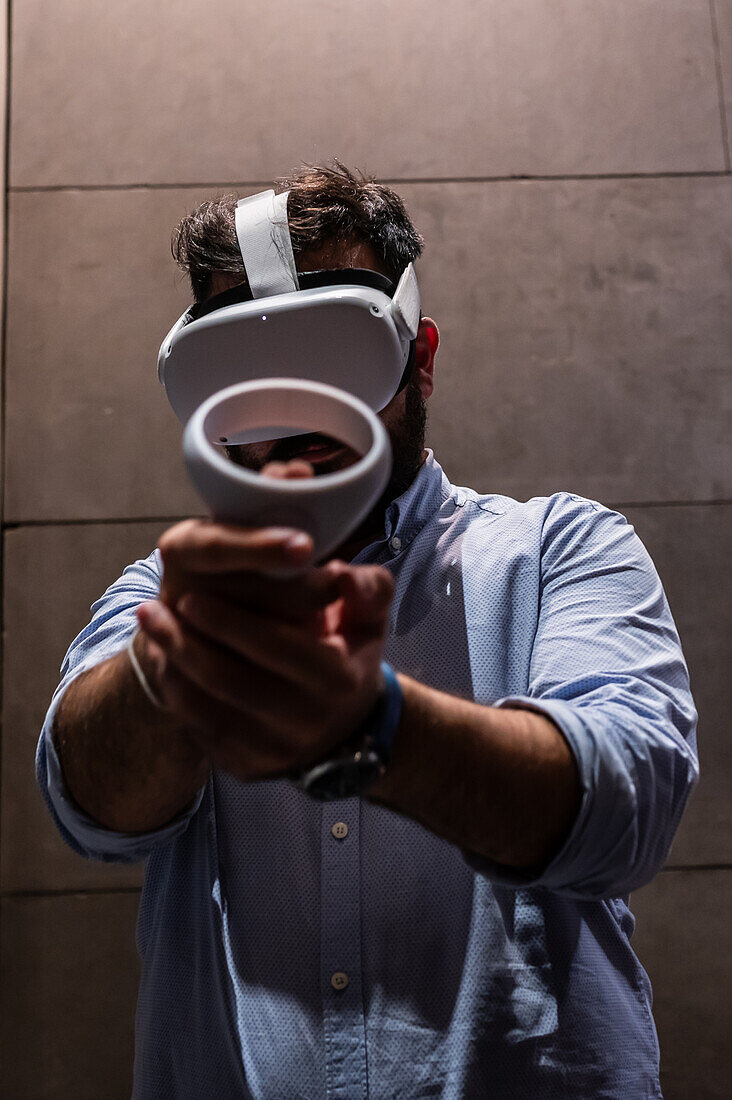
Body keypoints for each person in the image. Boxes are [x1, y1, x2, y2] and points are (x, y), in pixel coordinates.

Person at [37, 162, 698, 1099]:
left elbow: (624, 804)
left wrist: (377, 729)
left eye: (336, 368)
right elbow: (86, 802)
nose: (296, 428)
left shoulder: (562, 549)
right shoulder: (163, 596)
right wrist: (172, 669)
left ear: (418, 358)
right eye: (257, 385)